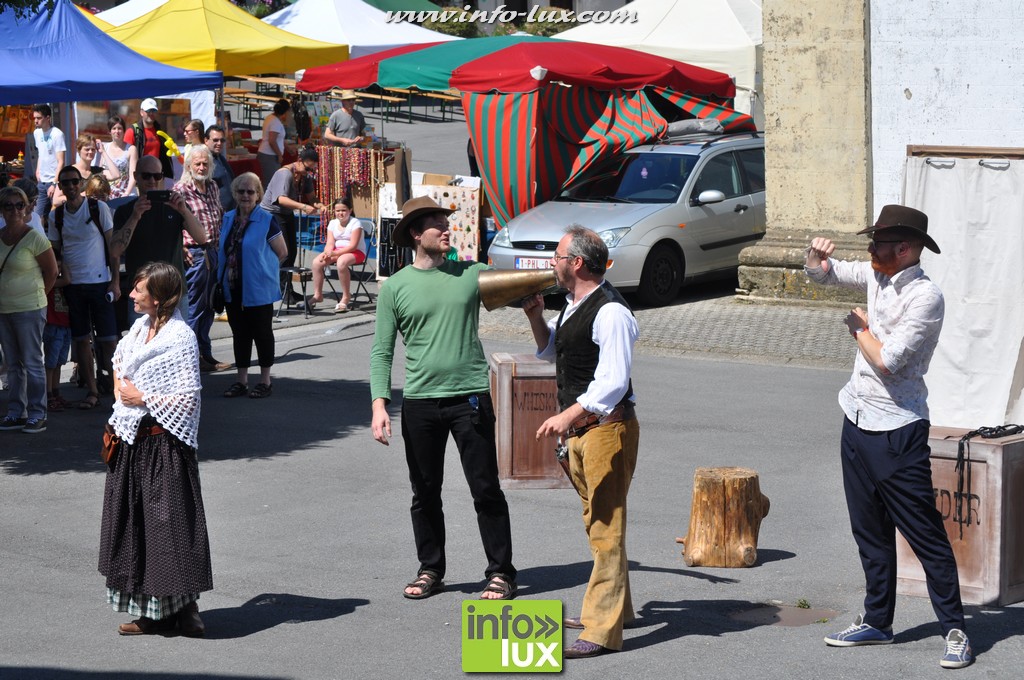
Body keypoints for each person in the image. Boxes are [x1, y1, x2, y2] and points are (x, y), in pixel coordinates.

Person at [805, 205, 972, 669]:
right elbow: (827, 274)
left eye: (877, 243)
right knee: (869, 531)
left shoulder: (925, 297)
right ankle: (878, 621)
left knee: (924, 534)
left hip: (898, 428)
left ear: (903, 249)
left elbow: (889, 362)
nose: (870, 249)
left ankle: (955, 629)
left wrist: (859, 328)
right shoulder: (878, 274)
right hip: (856, 418)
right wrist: (814, 258)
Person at [370, 196, 517, 602]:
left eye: (446, 221)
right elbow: (382, 351)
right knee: (424, 492)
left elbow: (523, 288)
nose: (447, 228)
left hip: (470, 398)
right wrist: (379, 404)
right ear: (417, 234)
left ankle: (501, 573)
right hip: (419, 403)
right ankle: (430, 568)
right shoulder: (395, 287)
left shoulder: (472, 273)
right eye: (437, 223)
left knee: (485, 489)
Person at [522, 225, 640, 659]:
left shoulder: (611, 313)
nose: (551, 264)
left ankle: (602, 629)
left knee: (606, 529)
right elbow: (557, 350)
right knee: (598, 524)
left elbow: (613, 381)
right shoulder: (574, 304)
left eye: (556, 257)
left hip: (606, 430)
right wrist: (536, 318)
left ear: (576, 263)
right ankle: (618, 610)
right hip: (584, 433)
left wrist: (567, 414)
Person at [99, 262, 212, 637]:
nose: (132, 295)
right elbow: (119, 364)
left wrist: (143, 397)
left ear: (159, 298)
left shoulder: (181, 338)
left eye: (139, 290)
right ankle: (150, 612)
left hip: (164, 445)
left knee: (171, 527)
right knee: (136, 527)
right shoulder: (137, 329)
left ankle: (187, 607)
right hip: (131, 440)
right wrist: (123, 390)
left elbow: (188, 399)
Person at [48, 165, 118, 411]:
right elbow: (55, 252)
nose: (70, 186)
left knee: (109, 341)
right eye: (65, 183)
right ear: (60, 186)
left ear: (81, 183)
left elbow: (113, 248)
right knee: (81, 341)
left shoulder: (98, 208)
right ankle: (93, 391)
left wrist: (115, 281)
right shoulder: (56, 216)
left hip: (99, 282)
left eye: (74, 181)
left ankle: (119, 391)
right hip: (73, 285)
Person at [109, 155, 207, 329]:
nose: (152, 181)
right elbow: (115, 251)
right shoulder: (126, 211)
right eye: (146, 176)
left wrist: (184, 211)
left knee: (177, 343)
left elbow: (201, 238)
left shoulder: (174, 205)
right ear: (136, 176)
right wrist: (135, 216)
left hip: (174, 292)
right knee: (142, 343)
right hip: (142, 294)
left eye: (157, 176)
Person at [217, 173, 287, 400]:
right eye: (241, 191)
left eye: (250, 191)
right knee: (240, 335)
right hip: (232, 287)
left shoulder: (266, 220)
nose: (245, 195)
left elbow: (282, 252)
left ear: (258, 195)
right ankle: (241, 381)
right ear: (235, 194)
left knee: (262, 334)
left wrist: (262, 270)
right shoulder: (228, 218)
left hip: (259, 289)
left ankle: (265, 381)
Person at [0, 186, 59, 433]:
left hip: (30, 309)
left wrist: (37, 297)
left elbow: (52, 272)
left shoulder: (35, 237)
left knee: (33, 363)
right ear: (2, 210)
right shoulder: (0, 236)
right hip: (4, 309)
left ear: (26, 208)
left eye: (19, 205)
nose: (14, 210)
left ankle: (37, 413)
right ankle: (16, 412)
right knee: (13, 364)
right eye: (8, 205)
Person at [174, 145, 228, 372]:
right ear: (188, 166)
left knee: (209, 306)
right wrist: (180, 247)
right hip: (194, 253)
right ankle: (191, 357)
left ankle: (205, 353)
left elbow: (219, 216)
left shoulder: (213, 186)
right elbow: (172, 222)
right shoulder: (180, 189)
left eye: (205, 163)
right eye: (197, 164)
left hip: (212, 251)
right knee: (194, 307)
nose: (201, 167)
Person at [260, 146, 323, 305]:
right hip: (272, 214)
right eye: (308, 168)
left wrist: (320, 205)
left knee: (292, 252)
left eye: (312, 170)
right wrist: (303, 207)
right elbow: (281, 199)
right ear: (299, 161)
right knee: (284, 253)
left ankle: (288, 289)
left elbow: (312, 197)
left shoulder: (305, 176)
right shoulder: (285, 174)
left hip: (286, 213)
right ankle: (282, 291)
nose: (309, 172)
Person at [309, 197, 365, 313]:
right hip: (337, 251)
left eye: (343, 210)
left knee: (341, 262)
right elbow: (330, 243)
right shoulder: (333, 223)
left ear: (350, 210)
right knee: (317, 262)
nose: (340, 213)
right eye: (337, 210)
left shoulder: (355, 223)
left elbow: (353, 246)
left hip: (356, 252)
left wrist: (335, 253)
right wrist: (327, 252)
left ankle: (346, 296)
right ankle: (318, 295)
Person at [31, 104, 66, 227]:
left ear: (47, 118)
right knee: (37, 215)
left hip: (54, 181)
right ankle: (40, 238)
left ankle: (57, 238)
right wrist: (38, 170)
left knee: (56, 215)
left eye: (39, 118)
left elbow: (61, 161)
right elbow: (41, 154)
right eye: (34, 118)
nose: (36, 121)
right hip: (42, 180)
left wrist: (54, 183)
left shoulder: (57, 134)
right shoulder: (37, 133)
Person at [124, 98, 173, 180]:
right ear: (141, 112)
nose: (151, 113)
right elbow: (125, 157)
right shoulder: (132, 131)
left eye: (154, 111)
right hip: (139, 177)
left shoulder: (160, 131)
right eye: (148, 111)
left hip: (156, 177)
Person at [52, 133, 100, 208]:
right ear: (79, 150)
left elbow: (116, 175)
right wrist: (81, 197)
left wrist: (103, 152)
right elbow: (56, 200)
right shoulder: (69, 172)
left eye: (93, 149)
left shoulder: (97, 171)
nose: (90, 152)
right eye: (87, 149)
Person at [100, 115, 139, 199]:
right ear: (110, 131)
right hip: (108, 195)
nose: (117, 131)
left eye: (119, 128)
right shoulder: (104, 148)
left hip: (126, 194)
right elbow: (100, 172)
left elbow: (133, 175)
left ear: (124, 131)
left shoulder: (131, 149)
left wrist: (126, 193)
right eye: (114, 128)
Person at [257, 99, 290, 186]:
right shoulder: (275, 122)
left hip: (266, 154)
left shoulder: (271, 118)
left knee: (270, 181)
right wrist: (279, 154)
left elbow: (278, 139)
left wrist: (288, 148)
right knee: (270, 182)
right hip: (270, 156)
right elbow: (272, 140)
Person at [205, 124, 235, 212]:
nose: (219, 143)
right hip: (217, 212)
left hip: (230, 210)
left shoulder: (220, 157)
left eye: (222, 140)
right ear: (206, 140)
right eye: (215, 140)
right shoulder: (204, 161)